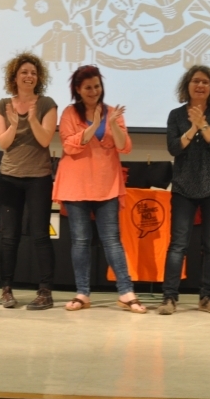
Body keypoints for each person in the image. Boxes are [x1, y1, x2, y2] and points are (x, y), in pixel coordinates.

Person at [52, 65, 146, 313]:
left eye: (97, 86)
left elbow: (125, 146)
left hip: (106, 185)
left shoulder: (113, 113)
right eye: (88, 87)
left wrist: (111, 124)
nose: (94, 91)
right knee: (81, 241)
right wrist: (94, 125)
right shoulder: (70, 113)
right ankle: (82, 293)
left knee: (112, 240)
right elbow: (70, 146)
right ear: (78, 90)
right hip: (76, 186)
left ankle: (126, 292)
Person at [158, 65, 210, 315]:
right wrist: (193, 127)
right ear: (187, 85)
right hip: (183, 187)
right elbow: (174, 148)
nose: (200, 85)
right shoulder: (176, 115)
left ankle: (207, 297)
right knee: (178, 244)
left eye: (205, 82)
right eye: (196, 81)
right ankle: (169, 297)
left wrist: (203, 124)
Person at [0, 52, 58, 310]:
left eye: (33, 72)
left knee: (40, 235)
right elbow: (3, 142)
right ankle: (6, 289)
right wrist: (13, 125)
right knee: (9, 237)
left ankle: (45, 291)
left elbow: (45, 140)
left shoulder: (47, 104)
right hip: (9, 177)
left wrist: (31, 119)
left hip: (38, 177)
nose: (29, 76)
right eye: (24, 72)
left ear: (38, 77)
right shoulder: (3, 105)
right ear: (14, 77)